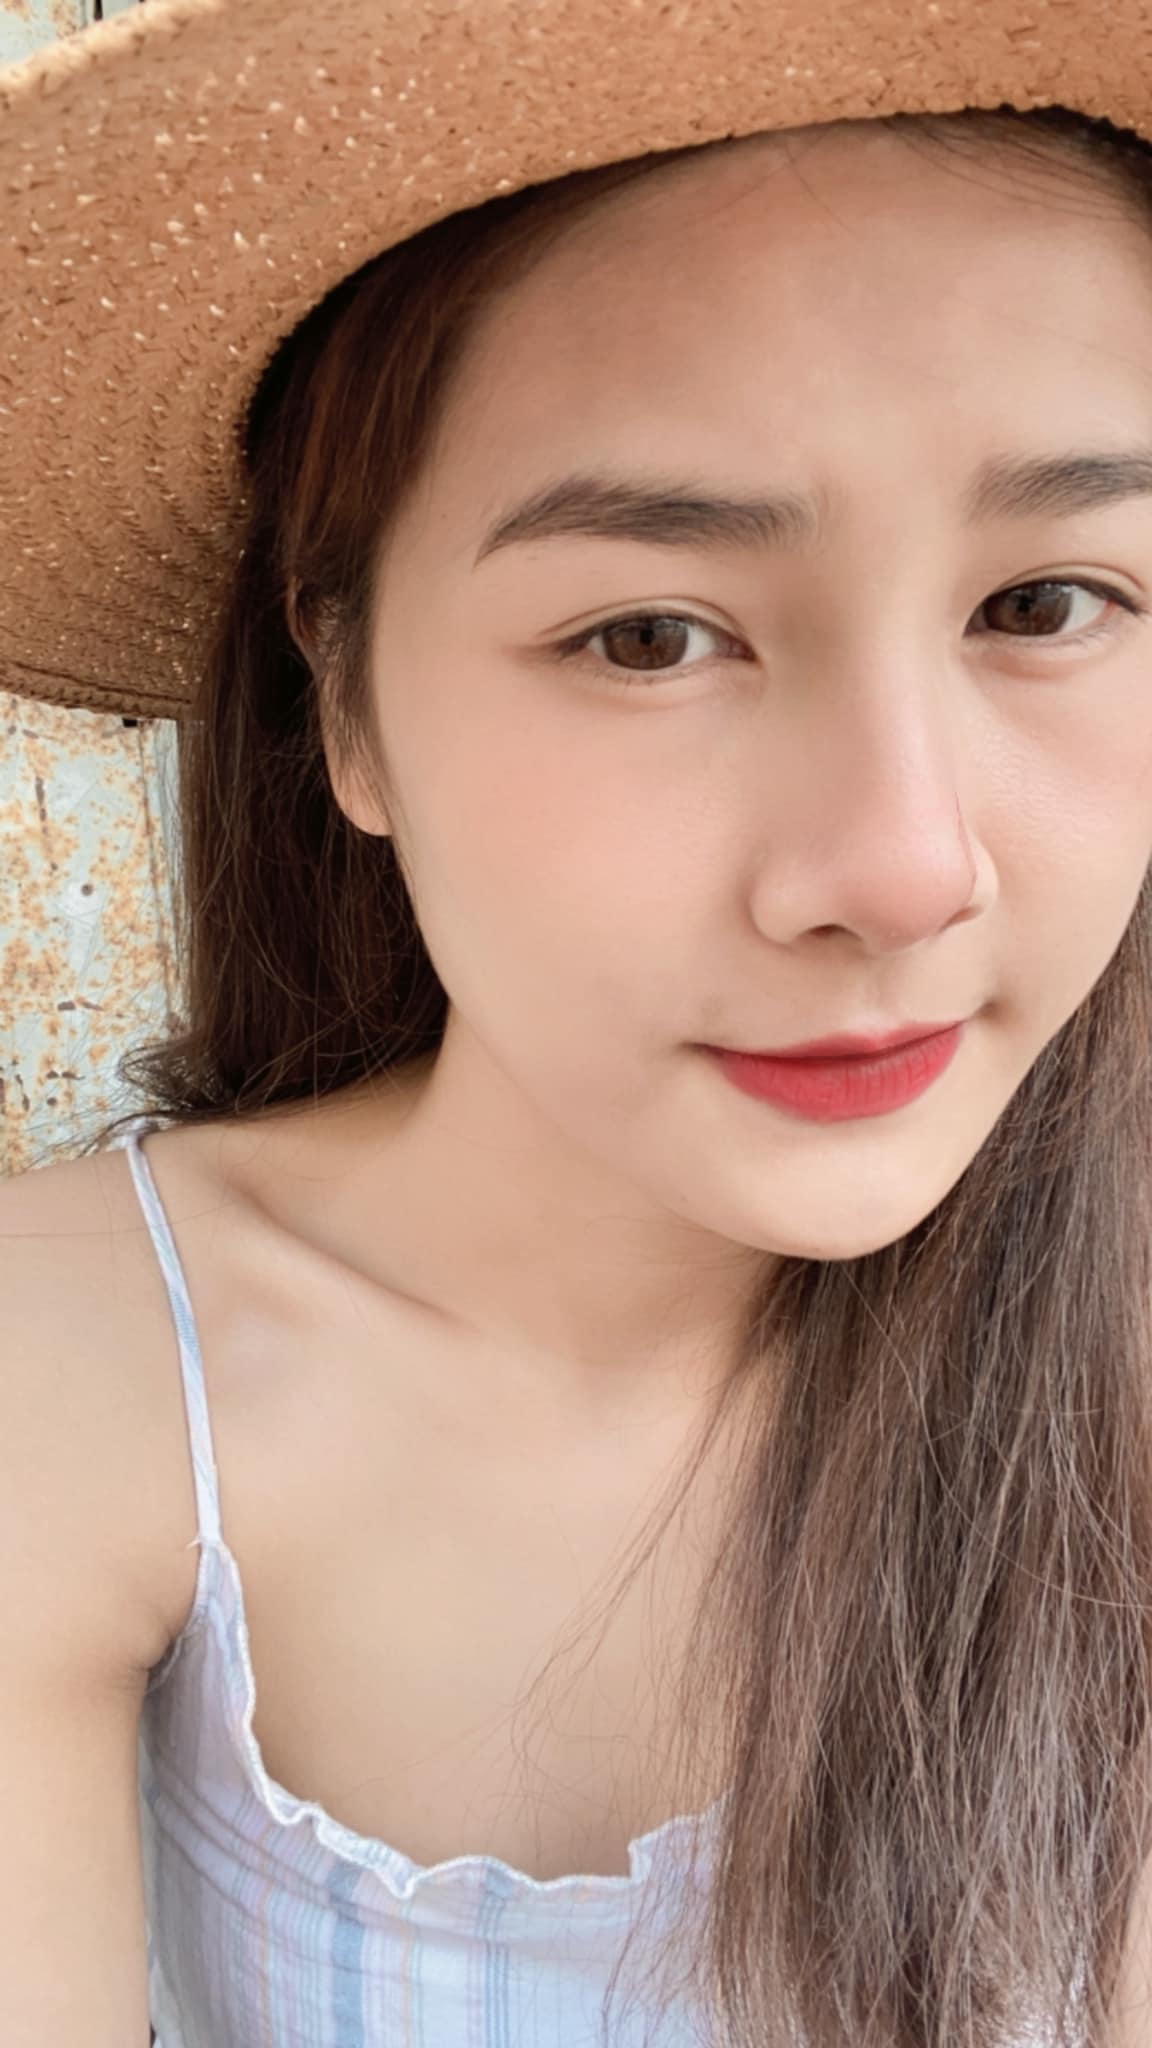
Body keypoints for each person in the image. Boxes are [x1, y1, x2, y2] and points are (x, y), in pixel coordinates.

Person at [4, 0, 1152, 2042]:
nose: (900, 870)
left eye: (1044, 605)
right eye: (648, 634)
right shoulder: (85, 1369)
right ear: (347, 703)